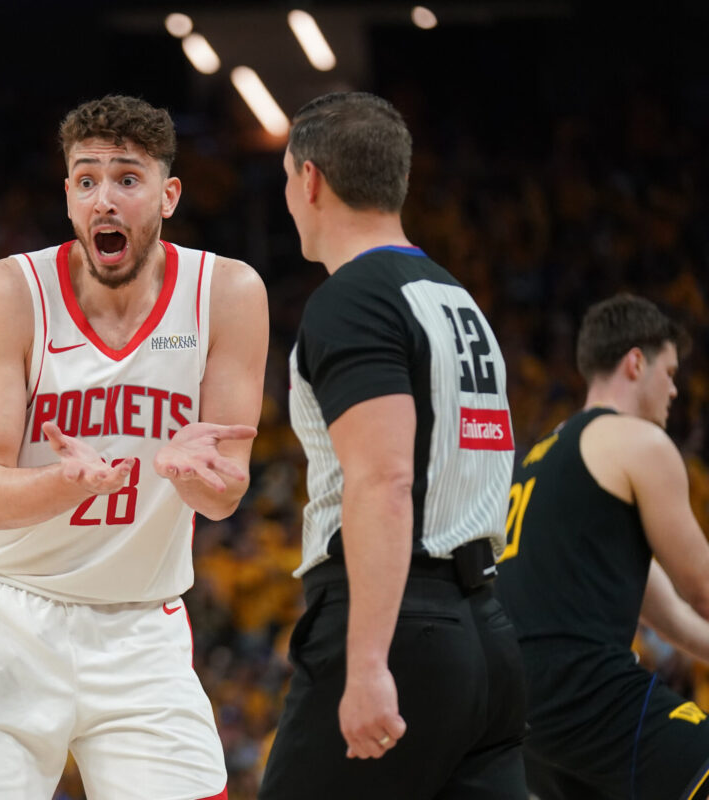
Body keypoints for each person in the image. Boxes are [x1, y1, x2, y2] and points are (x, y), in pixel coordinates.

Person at [0, 94, 268, 799]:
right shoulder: (5, 293)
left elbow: (227, 495)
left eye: (127, 179)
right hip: (5, 613)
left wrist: (195, 478)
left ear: (167, 195)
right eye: (86, 179)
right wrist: (67, 484)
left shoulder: (227, 292)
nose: (104, 199)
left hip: (139, 623)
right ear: (68, 195)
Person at [259, 91, 526, 799]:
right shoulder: (455, 297)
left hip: (400, 628)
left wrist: (368, 661)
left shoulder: (353, 299)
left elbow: (382, 478)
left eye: (287, 179)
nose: (288, 198)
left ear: (311, 180)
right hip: (486, 635)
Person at [495, 294, 709, 799]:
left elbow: (671, 617)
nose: (675, 390)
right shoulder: (638, 443)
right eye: (671, 372)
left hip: (518, 713)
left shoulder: (545, 458)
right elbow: (701, 587)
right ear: (636, 362)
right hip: (583, 690)